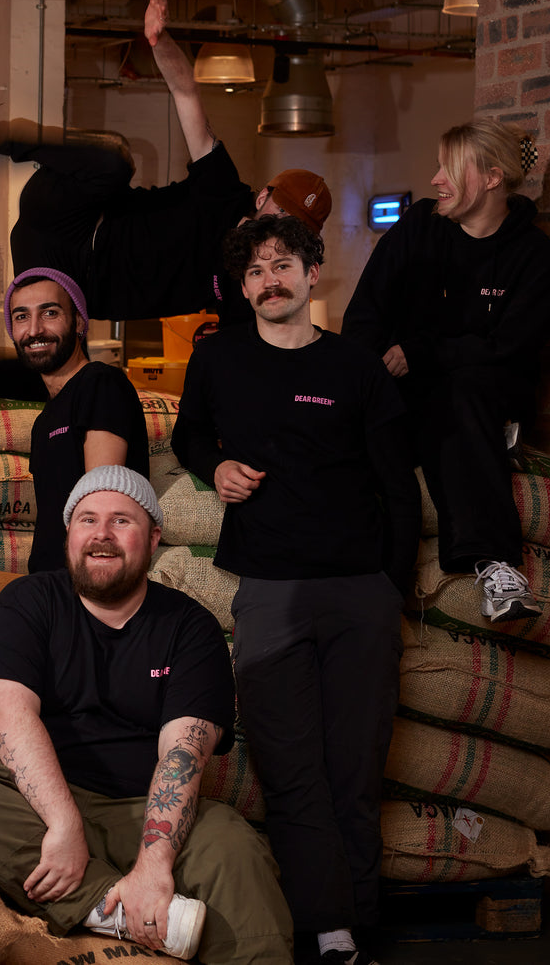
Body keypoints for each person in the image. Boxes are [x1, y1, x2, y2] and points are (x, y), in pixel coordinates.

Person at [0, 0, 331, 447]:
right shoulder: (223, 189)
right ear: (263, 197)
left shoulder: (253, 288)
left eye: (292, 228)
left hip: (75, 283)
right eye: (280, 211)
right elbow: (186, 94)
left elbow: (248, 357)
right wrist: (161, 42)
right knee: (114, 159)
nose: (279, 227)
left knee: (64, 373)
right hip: (72, 215)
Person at [0, 467, 292, 965]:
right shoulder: (27, 602)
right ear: (69, 534)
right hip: (31, 807)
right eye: (87, 519)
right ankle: (116, 909)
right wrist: (63, 824)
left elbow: (183, 753)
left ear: (153, 538)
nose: (102, 534)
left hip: (142, 810)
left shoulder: (190, 627)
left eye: (121, 521)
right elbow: (9, 718)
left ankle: (134, 906)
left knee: (234, 846)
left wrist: (154, 864)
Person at [173, 215, 420, 965]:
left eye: (282, 264)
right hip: (269, 590)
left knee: (355, 763)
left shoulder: (356, 368)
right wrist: (214, 466)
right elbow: (190, 434)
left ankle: (358, 918)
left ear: (313, 274)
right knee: (289, 764)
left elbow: (397, 486)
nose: (268, 280)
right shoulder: (217, 358)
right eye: (255, 271)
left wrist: (392, 589)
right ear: (243, 287)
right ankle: (328, 925)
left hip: (358, 592)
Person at [343, 119, 550, 624]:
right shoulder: (419, 226)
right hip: (404, 393)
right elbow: (365, 314)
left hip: (480, 395)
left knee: (461, 392)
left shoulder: (532, 254)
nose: (436, 179)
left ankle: (498, 565)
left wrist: (422, 352)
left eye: (449, 168)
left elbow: (510, 347)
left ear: (493, 177)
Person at [0, 267, 149, 573]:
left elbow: (103, 504)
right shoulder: (45, 419)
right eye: (21, 316)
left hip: (87, 579)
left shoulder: (100, 384)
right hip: (47, 578)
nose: (34, 330)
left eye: (50, 313)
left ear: (79, 321)